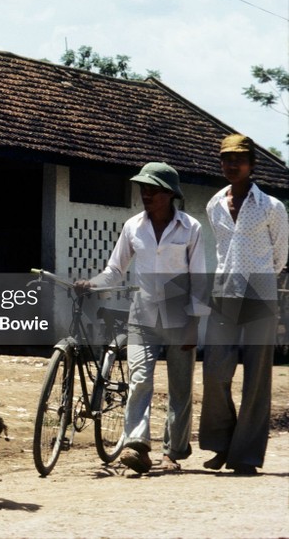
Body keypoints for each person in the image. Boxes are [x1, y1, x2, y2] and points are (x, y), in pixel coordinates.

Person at [75, 162, 206, 474]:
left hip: (180, 318)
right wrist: (92, 283)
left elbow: (200, 279)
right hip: (142, 315)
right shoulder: (133, 226)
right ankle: (136, 445)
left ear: (170, 194)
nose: (146, 194)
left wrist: (194, 323)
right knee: (139, 379)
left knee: (180, 388)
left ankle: (172, 452)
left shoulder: (191, 228)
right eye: (143, 188)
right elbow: (115, 270)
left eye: (153, 189)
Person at [200, 134, 288, 475]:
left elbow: (280, 258)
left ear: (252, 164)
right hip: (224, 296)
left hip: (260, 296)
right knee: (214, 373)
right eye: (225, 158)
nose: (231, 165)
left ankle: (246, 455)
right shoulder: (214, 204)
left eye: (238, 159)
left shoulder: (272, 207)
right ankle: (221, 444)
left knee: (256, 380)